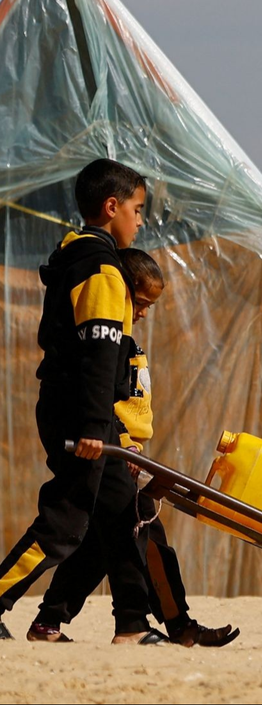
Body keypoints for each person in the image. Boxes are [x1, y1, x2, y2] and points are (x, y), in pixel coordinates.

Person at [26, 248, 239, 647]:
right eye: (139, 303)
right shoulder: (108, 346)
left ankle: (52, 620)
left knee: (107, 541)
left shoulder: (128, 346)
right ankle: (156, 625)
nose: (141, 313)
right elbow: (103, 401)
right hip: (114, 448)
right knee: (133, 533)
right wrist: (122, 445)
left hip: (126, 451)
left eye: (148, 307)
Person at [0, 158, 165, 645]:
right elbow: (99, 354)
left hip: (76, 409)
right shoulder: (102, 271)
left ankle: (132, 625)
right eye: (136, 209)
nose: (140, 220)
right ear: (111, 207)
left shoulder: (79, 259)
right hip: (83, 416)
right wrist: (96, 426)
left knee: (122, 512)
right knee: (66, 521)